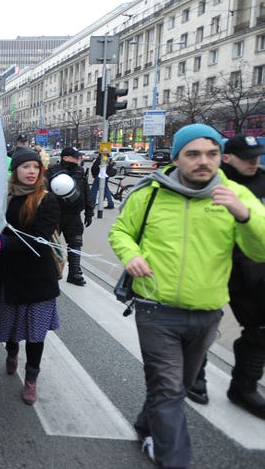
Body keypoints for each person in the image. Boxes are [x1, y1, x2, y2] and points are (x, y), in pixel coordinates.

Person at [109, 124, 265, 467]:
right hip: (155, 308)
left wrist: (244, 215)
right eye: (192, 154)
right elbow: (121, 231)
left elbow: (261, 248)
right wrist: (131, 255)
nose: (203, 162)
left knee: (176, 385)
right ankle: (173, 458)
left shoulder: (236, 194)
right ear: (177, 157)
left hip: (207, 313)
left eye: (211, 154)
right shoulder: (150, 192)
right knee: (167, 388)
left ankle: (146, 426)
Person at [186, 135, 265, 418]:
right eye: (247, 157)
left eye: (257, 155)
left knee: (260, 330)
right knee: (200, 324)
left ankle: (244, 387)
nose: (254, 161)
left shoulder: (262, 181)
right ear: (227, 158)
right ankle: (196, 377)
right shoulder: (207, 181)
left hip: (253, 268)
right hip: (212, 263)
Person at [0, 147, 61, 405]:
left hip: (37, 279)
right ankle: (11, 352)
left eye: (35, 167)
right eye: (25, 167)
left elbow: (40, 241)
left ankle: (31, 379)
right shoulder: (4, 198)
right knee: (10, 332)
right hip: (9, 276)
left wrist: (4, 245)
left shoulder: (47, 200)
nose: (31, 172)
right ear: (15, 171)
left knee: (35, 334)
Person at [46, 147, 93, 286]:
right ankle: (50, 272)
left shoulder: (80, 171)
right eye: (75, 157)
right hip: (55, 214)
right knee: (51, 244)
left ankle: (74, 273)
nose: (78, 159)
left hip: (74, 215)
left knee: (75, 243)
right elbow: (43, 192)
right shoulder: (52, 171)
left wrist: (89, 211)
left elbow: (86, 191)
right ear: (65, 157)